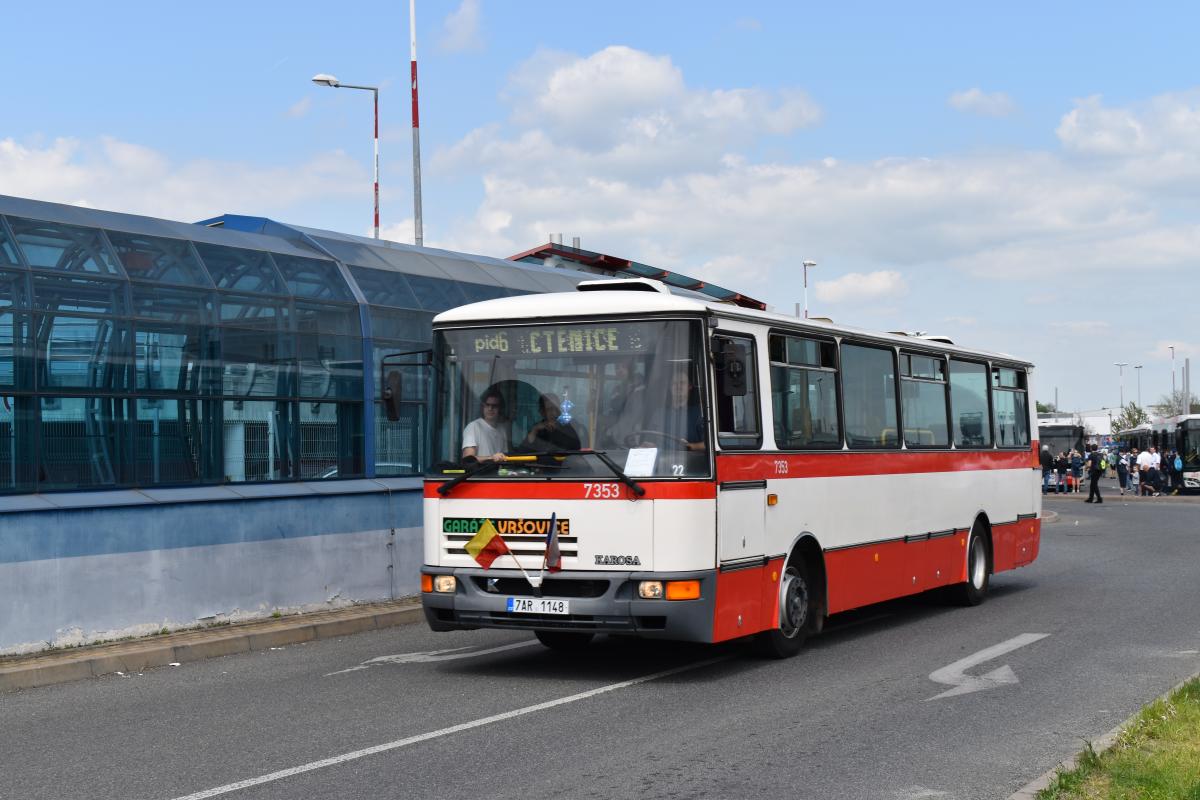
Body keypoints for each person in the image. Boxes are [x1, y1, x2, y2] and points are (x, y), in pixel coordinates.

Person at [461, 389, 509, 463]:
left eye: (494, 406)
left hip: (498, 473)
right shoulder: (473, 427)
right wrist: (492, 458)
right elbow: (468, 460)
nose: (490, 408)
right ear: (482, 407)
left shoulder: (502, 429)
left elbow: (504, 457)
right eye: (487, 405)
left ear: (500, 409)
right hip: (480, 474)